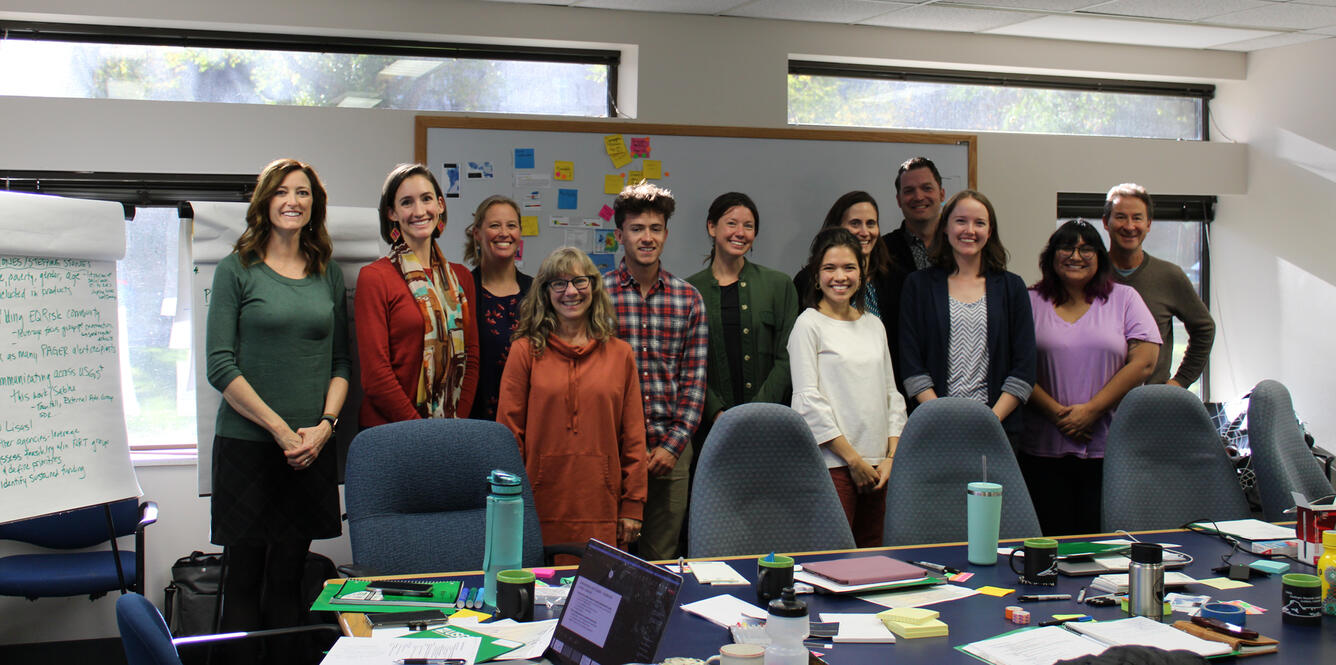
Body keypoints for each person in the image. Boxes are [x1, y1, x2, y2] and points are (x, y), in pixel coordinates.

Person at [205, 158, 349, 664]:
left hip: (310, 450)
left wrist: (324, 429)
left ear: (315, 206)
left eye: (304, 193)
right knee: (244, 577)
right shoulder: (235, 269)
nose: (293, 200)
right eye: (282, 191)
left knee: (290, 574)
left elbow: (341, 363)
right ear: (265, 202)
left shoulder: (327, 274)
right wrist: (281, 431)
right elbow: (220, 366)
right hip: (249, 447)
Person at [497, 247, 648, 549]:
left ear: (593, 286)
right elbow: (508, 436)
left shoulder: (620, 355)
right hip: (536, 506)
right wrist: (512, 505)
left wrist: (633, 505)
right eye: (559, 283)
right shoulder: (525, 351)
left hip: (603, 508)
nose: (571, 292)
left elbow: (633, 437)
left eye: (580, 281)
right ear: (545, 292)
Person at [1023, 220, 1161, 535]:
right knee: (1047, 544)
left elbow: (1144, 362)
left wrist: (1092, 410)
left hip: (1108, 450)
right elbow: (1013, 366)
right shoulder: (1029, 300)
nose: (1076, 255)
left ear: (1100, 256)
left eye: (1086, 248)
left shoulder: (1124, 298)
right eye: (1067, 247)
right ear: (1051, 255)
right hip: (1041, 451)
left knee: (1102, 543)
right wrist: (1060, 416)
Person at [603, 182, 707, 561]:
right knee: (608, 557)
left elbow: (694, 382)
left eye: (655, 229)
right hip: (612, 450)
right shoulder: (598, 296)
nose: (647, 238)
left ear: (665, 234)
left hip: (671, 452)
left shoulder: (688, 298)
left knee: (661, 560)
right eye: (636, 229)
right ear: (620, 235)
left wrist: (671, 446)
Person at [789, 227, 906, 548]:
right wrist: (853, 460)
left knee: (874, 558)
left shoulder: (874, 325)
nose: (839, 277)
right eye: (830, 268)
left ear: (862, 273)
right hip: (835, 466)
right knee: (832, 559)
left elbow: (891, 397)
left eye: (849, 267)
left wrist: (891, 458)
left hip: (879, 467)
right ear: (816, 275)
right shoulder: (808, 324)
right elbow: (806, 402)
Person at [898, 190, 1036, 440]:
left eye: (979, 223)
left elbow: (1024, 368)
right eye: (961, 221)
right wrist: (941, 418)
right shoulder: (918, 286)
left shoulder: (1012, 288)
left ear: (990, 231)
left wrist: (989, 421)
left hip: (997, 429)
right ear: (945, 227)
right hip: (933, 427)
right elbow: (910, 362)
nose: (969, 230)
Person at [354, 163, 479, 427]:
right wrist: (422, 431)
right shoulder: (375, 277)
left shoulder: (462, 278)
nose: (419, 211)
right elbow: (376, 376)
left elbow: (472, 357)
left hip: (449, 430)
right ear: (392, 213)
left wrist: (455, 425)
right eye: (407, 202)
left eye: (426, 199)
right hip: (390, 431)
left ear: (441, 205)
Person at [686, 192, 799, 434]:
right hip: (710, 428)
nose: (740, 232)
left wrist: (758, 411)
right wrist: (716, 413)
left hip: (770, 424)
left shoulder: (779, 286)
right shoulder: (688, 292)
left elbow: (788, 356)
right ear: (712, 227)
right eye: (731, 223)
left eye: (748, 226)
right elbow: (687, 364)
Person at [793, 191, 908, 394]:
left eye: (871, 223)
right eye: (855, 223)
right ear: (837, 227)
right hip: (832, 398)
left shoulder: (896, 279)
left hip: (881, 395)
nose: (864, 232)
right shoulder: (807, 281)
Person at [1103, 183, 1215, 389]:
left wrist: (1179, 382)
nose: (1129, 226)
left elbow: (1204, 328)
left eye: (1137, 217)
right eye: (1120, 217)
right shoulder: (1091, 275)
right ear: (1106, 222)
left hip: (1150, 402)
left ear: (1148, 224)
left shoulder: (1169, 276)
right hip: (1097, 403)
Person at [464, 195, 533, 420]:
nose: (504, 233)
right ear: (477, 234)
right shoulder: (462, 291)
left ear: (519, 233)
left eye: (511, 225)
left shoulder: (537, 292)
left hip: (529, 419)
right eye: (495, 225)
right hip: (476, 421)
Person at [883, 156, 947, 272]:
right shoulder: (882, 250)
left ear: (942, 195)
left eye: (927, 188)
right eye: (909, 191)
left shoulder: (959, 243)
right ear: (898, 200)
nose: (918, 197)